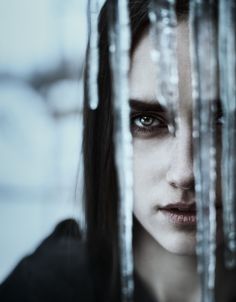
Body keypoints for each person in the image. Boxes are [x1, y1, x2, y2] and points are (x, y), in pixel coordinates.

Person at [0, 1, 235, 302]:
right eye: (147, 120)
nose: (185, 172)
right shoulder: (46, 290)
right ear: (106, 131)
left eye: (224, 120)